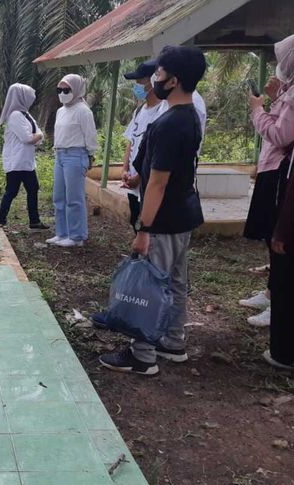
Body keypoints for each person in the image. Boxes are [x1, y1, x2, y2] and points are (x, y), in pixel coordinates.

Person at [99, 46, 207, 376]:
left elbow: (158, 183)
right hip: (183, 215)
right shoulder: (188, 116)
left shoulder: (170, 123)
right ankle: (172, 342)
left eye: (158, 74)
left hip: (163, 218)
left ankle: (142, 354)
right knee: (174, 281)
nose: (153, 80)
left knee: (149, 283)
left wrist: (144, 230)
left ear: (173, 81)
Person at [248, 33, 294, 369]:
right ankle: (271, 296)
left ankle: (277, 303)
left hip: (281, 173)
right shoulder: (288, 93)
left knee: (277, 238)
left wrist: (257, 110)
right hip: (272, 168)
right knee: (270, 236)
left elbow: (280, 134)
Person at [47, 74, 98, 247]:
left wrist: (90, 155)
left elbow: (90, 136)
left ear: (76, 89)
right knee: (59, 196)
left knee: (74, 198)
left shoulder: (83, 111)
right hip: (60, 155)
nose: (62, 93)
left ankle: (77, 236)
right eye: (59, 90)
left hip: (76, 155)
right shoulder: (61, 111)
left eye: (66, 90)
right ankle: (62, 233)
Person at [0, 84, 48, 230]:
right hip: (16, 161)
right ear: (22, 97)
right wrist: (38, 135)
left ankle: (34, 221)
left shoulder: (26, 114)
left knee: (33, 188)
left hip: (26, 161)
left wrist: (37, 136)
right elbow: (28, 138)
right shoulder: (15, 116)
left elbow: (38, 136)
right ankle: (1, 219)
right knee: (12, 191)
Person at [121, 61, 165, 231]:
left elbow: (154, 151)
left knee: (147, 224)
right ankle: (137, 256)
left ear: (153, 81)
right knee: (134, 221)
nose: (137, 86)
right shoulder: (139, 111)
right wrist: (125, 170)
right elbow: (131, 142)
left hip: (146, 179)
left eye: (140, 82)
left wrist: (140, 176)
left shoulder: (162, 111)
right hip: (132, 181)